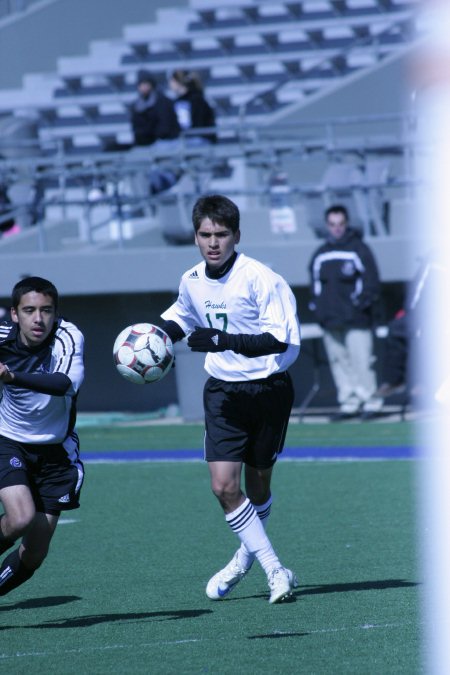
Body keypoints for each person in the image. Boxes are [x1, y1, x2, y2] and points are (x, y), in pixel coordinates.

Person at [159, 194, 301, 604]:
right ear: (195, 237)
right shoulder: (192, 280)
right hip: (222, 393)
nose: (213, 242)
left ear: (237, 235)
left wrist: (223, 339)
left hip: (268, 389)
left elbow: (279, 338)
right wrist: (150, 337)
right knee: (224, 487)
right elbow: (180, 316)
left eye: (222, 234)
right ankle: (275, 569)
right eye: (205, 234)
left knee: (257, 488)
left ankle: (244, 558)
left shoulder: (261, 278)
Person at [0, 276, 85, 597]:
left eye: (46, 310)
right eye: (29, 310)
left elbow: (64, 383)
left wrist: (11, 375)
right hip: (8, 440)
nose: (38, 319)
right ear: (14, 314)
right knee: (20, 517)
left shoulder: (68, 337)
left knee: (34, 554)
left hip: (56, 454)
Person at [308, 204, 383, 421]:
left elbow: (372, 284)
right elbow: (315, 287)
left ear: (346, 224)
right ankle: (349, 403)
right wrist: (320, 311)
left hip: (356, 319)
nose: (337, 229)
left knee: (362, 361)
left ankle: (371, 402)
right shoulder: (321, 254)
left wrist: (357, 306)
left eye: (340, 224)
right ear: (327, 226)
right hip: (330, 321)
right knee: (339, 363)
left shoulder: (359, 249)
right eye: (332, 225)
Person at [130, 69, 180, 148]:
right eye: (141, 84)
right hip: (144, 143)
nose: (143, 87)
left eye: (146, 83)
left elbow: (165, 127)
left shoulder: (163, 102)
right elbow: (136, 128)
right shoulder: (136, 105)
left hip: (163, 142)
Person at [168, 69, 217, 145]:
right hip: (191, 139)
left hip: (199, 139)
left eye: (172, 81)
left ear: (178, 82)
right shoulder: (180, 101)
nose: (170, 84)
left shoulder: (195, 101)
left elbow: (189, 125)